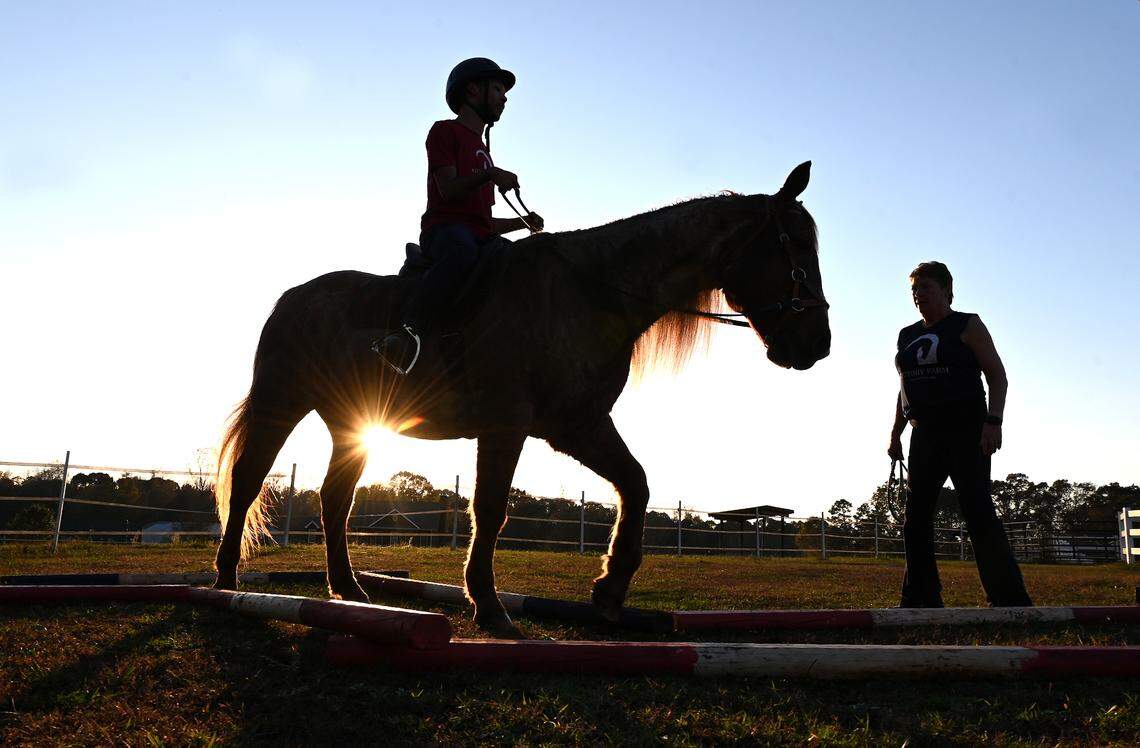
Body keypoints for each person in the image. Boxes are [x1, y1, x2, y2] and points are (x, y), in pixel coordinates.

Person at [374, 57, 543, 375]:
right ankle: (407, 334)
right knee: (461, 251)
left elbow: (484, 221)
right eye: (497, 88)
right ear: (472, 91)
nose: (504, 97)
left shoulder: (483, 150)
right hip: (445, 231)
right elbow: (449, 190)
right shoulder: (443, 132)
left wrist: (523, 223)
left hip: (477, 236)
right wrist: (490, 174)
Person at [888, 261, 1032, 608]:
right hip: (924, 434)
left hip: (966, 429)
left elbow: (997, 376)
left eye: (926, 288)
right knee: (916, 518)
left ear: (946, 291)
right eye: (914, 289)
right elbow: (904, 388)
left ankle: (1008, 599)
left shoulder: (967, 324)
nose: (918, 295)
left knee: (978, 510)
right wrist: (895, 435)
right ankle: (920, 598)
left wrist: (994, 421)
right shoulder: (907, 335)